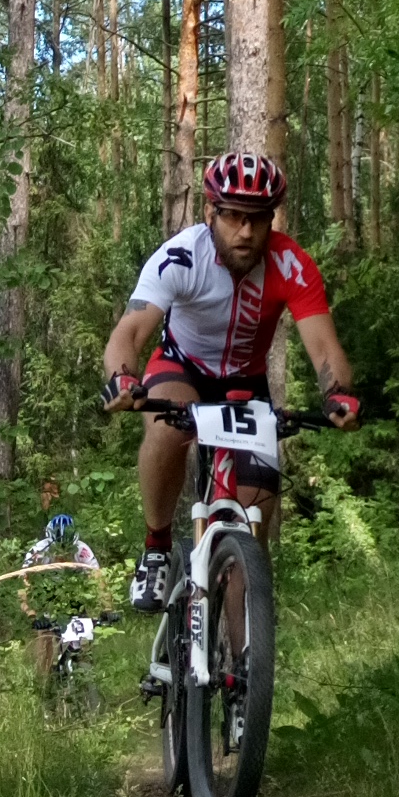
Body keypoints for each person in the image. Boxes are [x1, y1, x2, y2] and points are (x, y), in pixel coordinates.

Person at [99, 151, 359, 616]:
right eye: (234, 216)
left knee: (252, 536)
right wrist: (122, 378)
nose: (246, 231)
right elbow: (131, 332)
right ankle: (157, 546)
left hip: (245, 384)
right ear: (209, 212)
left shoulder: (290, 263)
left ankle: (244, 657)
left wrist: (337, 392)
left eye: (258, 218)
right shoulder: (181, 256)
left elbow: (323, 347)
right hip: (182, 368)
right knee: (166, 428)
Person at [22, 500, 101, 689]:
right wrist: (32, 614)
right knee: (46, 648)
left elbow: (98, 580)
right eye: (59, 549)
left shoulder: (82, 550)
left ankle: (86, 683)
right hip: (46, 600)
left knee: (84, 647)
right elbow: (24, 584)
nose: (63, 553)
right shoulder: (38, 552)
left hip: (75, 599)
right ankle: (45, 689)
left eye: (67, 548)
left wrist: (105, 609)